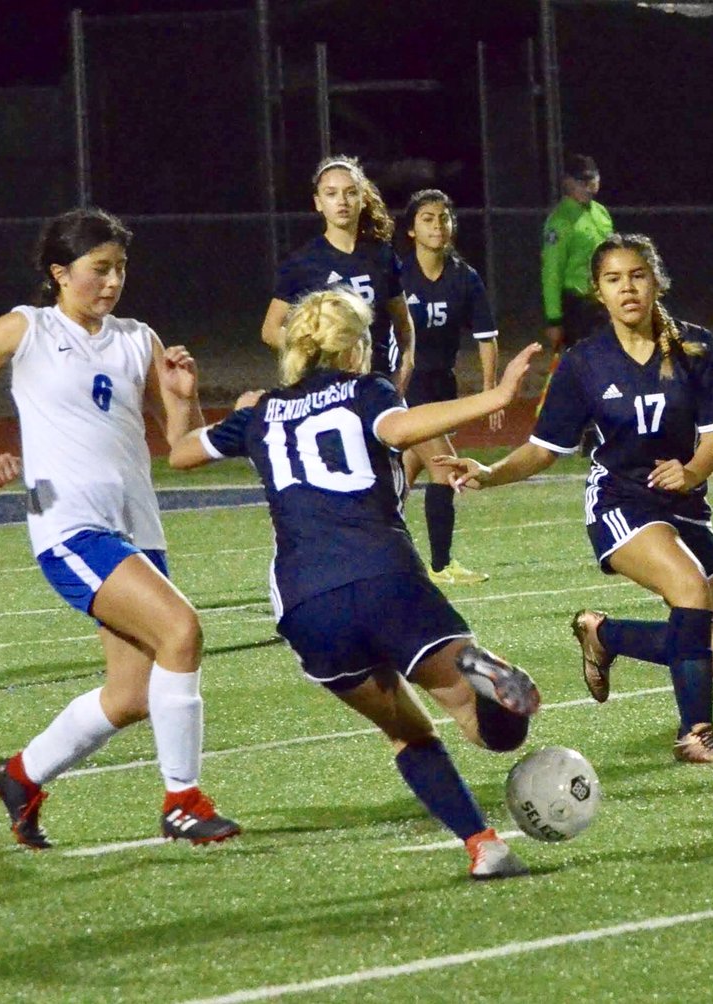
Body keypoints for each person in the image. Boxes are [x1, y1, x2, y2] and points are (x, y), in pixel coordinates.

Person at [170, 289, 544, 880]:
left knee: (407, 732)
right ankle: (479, 668)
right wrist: (494, 397)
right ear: (356, 349)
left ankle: (484, 847)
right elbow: (401, 426)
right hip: (383, 577)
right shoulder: (368, 390)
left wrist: (181, 401)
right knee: (489, 731)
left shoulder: (261, 412)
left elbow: (181, 454)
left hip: (306, 604)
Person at [0, 207, 239, 849]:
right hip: (69, 526)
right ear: (60, 273)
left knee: (130, 695)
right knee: (182, 630)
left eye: (120, 268)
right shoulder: (26, 328)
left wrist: (183, 396)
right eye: (99, 269)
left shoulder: (137, 338)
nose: (112, 282)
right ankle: (182, 801)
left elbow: (179, 447)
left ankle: (21, 773)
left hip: (136, 529)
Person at [440, 233, 713, 765]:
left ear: (656, 283)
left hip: (684, 503)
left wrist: (692, 470)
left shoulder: (694, 347)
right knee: (689, 591)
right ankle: (695, 734)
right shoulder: (584, 364)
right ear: (598, 293)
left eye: (636, 276)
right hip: (620, 503)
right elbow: (543, 450)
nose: (626, 288)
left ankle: (604, 635)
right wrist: (488, 473)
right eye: (613, 279)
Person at [398, 188, 501, 585]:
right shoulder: (397, 275)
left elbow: (486, 336)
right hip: (405, 387)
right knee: (446, 470)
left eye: (443, 218)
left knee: (400, 477)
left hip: (442, 384)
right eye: (427, 218)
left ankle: (366, 551)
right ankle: (441, 567)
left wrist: (491, 390)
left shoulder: (464, 277)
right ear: (411, 230)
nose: (437, 225)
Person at [261, 154, 415, 394]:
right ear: (318, 203)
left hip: (376, 383)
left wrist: (405, 368)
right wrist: (311, 350)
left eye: (351, 192)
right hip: (325, 388)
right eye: (331, 194)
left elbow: (403, 324)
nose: (342, 201)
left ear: (363, 199)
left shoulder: (382, 255)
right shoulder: (302, 262)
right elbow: (270, 329)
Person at [541, 154, 614, 353]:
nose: (588, 187)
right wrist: (554, 319)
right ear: (568, 182)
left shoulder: (601, 213)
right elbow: (552, 272)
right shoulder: (560, 221)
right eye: (582, 182)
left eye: (591, 180)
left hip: (605, 301)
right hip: (577, 308)